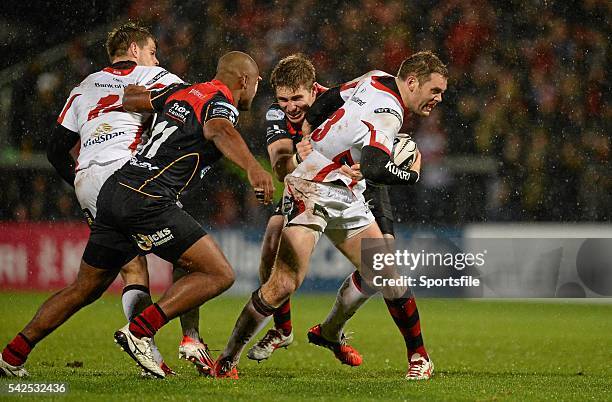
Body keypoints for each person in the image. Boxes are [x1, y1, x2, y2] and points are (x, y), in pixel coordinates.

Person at [0, 51, 274, 379]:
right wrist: (254, 167)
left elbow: (130, 98)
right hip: (150, 198)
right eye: (258, 82)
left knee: (85, 287)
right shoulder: (221, 101)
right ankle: (141, 331)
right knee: (218, 273)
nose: (257, 89)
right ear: (244, 80)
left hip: (116, 191)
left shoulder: (181, 92)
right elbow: (218, 129)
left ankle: (12, 355)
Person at [214, 51, 447, 381]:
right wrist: (412, 174)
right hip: (311, 187)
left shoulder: (376, 76)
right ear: (412, 82)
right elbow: (375, 167)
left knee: (387, 276)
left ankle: (419, 358)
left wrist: (309, 129)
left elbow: (333, 96)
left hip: (345, 190)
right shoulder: (389, 114)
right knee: (283, 283)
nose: (438, 98)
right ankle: (226, 360)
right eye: (435, 91)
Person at [42, 22, 215, 377]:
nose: (156, 57)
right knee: (194, 253)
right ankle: (188, 338)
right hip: (131, 177)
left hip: (88, 181)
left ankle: (146, 352)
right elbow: (193, 106)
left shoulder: (84, 85)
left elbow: (56, 148)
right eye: (152, 51)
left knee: (131, 268)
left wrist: (76, 179)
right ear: (135, 50)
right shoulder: (155, 75)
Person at [246, 54, 394, 367]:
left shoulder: (341, 106)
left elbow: (374, 163)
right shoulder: (277, 114)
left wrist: (386, 224)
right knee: (272, 242)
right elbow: (280, 166)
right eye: (283, 99)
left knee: (380, 267)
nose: (291, 107)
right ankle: (282, 330)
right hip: (305, 185)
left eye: (297, 98)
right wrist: (294, 160)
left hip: (355, 192)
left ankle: (333, 331)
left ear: (314, 91)